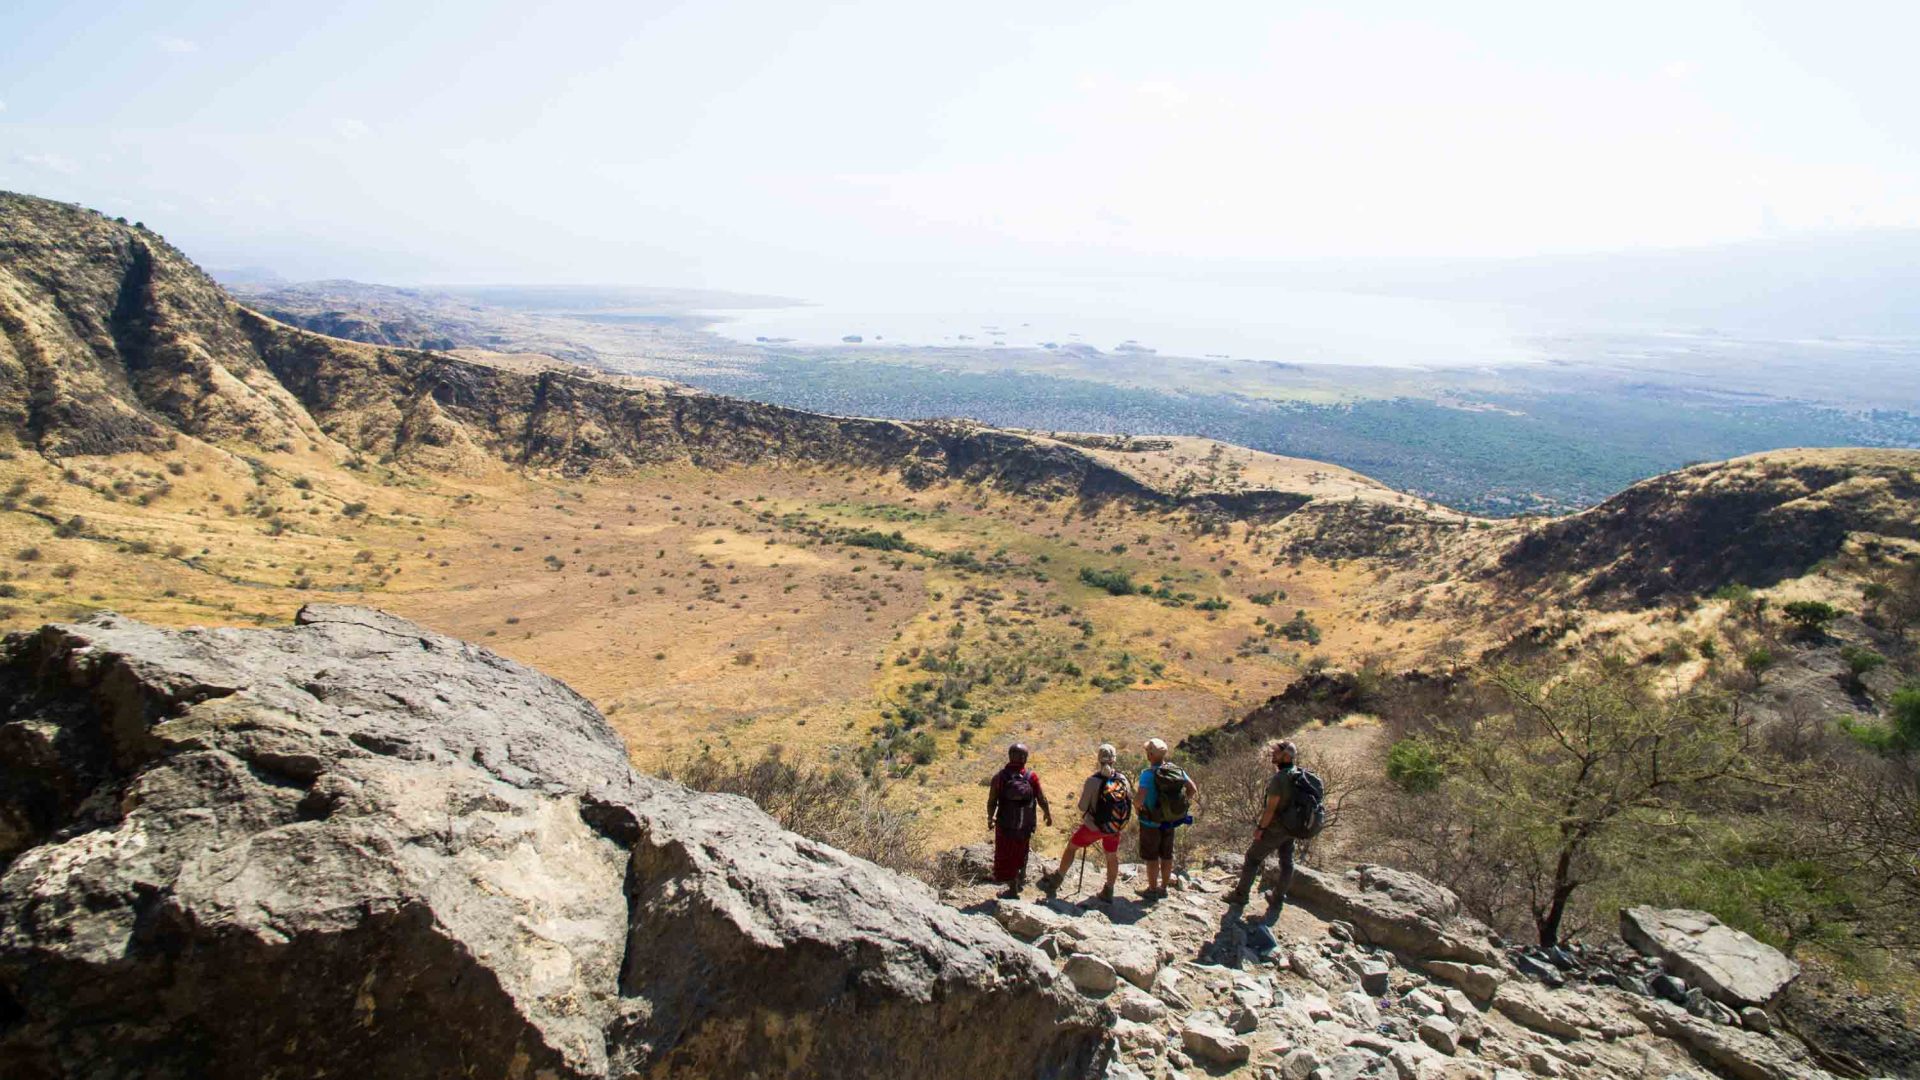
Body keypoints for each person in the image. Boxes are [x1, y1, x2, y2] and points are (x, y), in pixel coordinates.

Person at [1038, 743, 1132, 905]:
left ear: (1099, 759)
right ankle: (1109, 890)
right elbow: (1128, 798)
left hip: (1093, 827)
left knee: (1072, 847)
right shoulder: (1122, 779)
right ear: (1114, 760)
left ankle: (1057, 878)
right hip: (1114, 827)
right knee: (1111, 856)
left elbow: (1082, 806)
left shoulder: (1092, 781)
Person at [1224, 739, 1301, 923]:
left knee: (1252, 858)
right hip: (1291, 827)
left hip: (1275, 828)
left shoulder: (1279, 779)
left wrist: (1261, 828)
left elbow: (1270, 809)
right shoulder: (1298, 774)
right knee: (1287, 862)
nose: (1272, 755)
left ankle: (1241, 895)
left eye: (1276, 752)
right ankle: (1278, 899)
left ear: (1286, 756)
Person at [985, 743, 1052, 898]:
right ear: (1024, 759)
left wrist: (990, 817)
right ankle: (1021, 876)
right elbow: (1042, 798)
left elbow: (992, 801)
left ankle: (1012, 888)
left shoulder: (1000, 777)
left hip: (1005, 824)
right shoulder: (1031, 777)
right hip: (1026, 824)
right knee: (1022, 850)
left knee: (1005, 854)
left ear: (1010, 757)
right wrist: (1047, 814)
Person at [1135, 737, 1196, 900]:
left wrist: (1137, 809)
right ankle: (1163, 888)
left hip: (1150, 821)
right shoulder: (1177, 770)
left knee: (1152, 856)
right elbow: (1192, 788)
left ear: (1150, 755)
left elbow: (1139, 800)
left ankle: (1152, 889)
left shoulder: (1147, 775)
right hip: (1170, 820)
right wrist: (1182, 806)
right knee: (1167, 854)